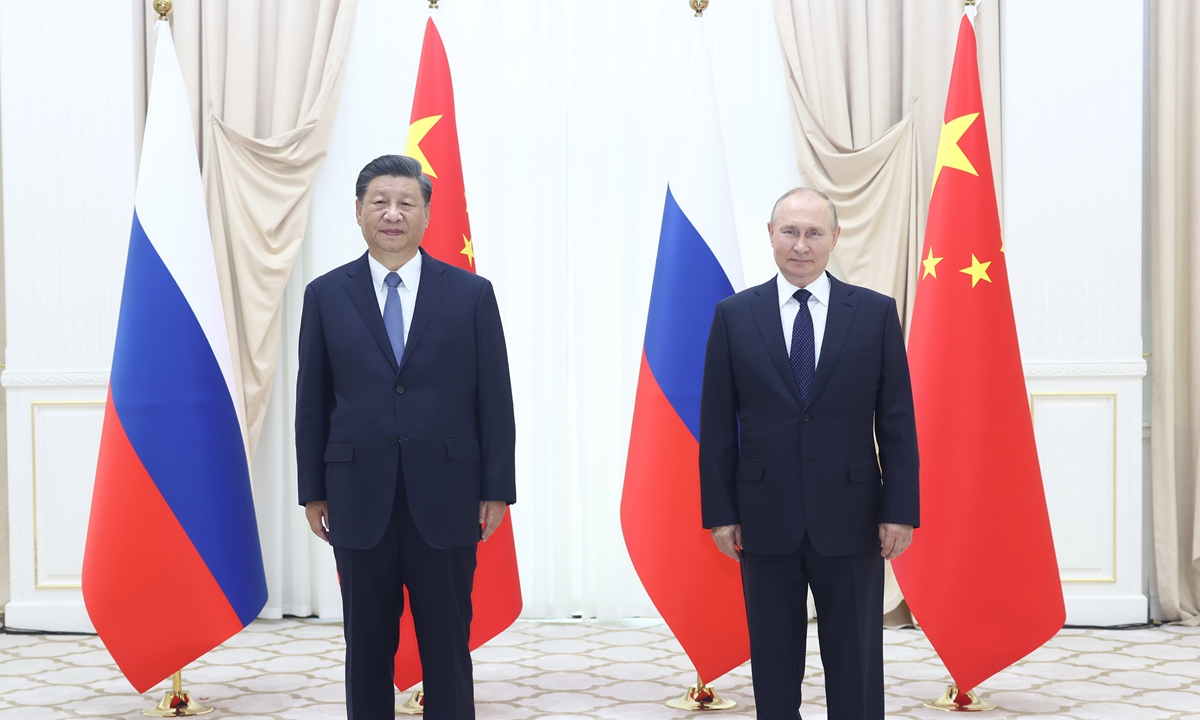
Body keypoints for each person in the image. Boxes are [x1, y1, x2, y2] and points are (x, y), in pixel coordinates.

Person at [295, 154, 516, 720]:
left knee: (447, 646)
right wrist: (313, 491)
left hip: (447, 495)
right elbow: (313, 402)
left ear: (425, 214)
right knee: (366, 648)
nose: (392, 214)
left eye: (406, 203)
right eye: (380, 202)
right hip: (357, 495)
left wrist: (497, 489)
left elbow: (494, 398)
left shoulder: (470, 294)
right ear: (360, 212)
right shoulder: (325, 295)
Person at [699, 188, 919, 720]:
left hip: (853, 516)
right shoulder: (733, 316)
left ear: (835, 238)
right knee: (773, 658)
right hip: (763, 516)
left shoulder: (873, 313)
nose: (802, 245)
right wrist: (721, 513)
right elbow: (716, 425)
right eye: (790, 232)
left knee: (856, 657)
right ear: (770, 235)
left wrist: (900, 510)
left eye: (814, 232)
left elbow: (896, 421)